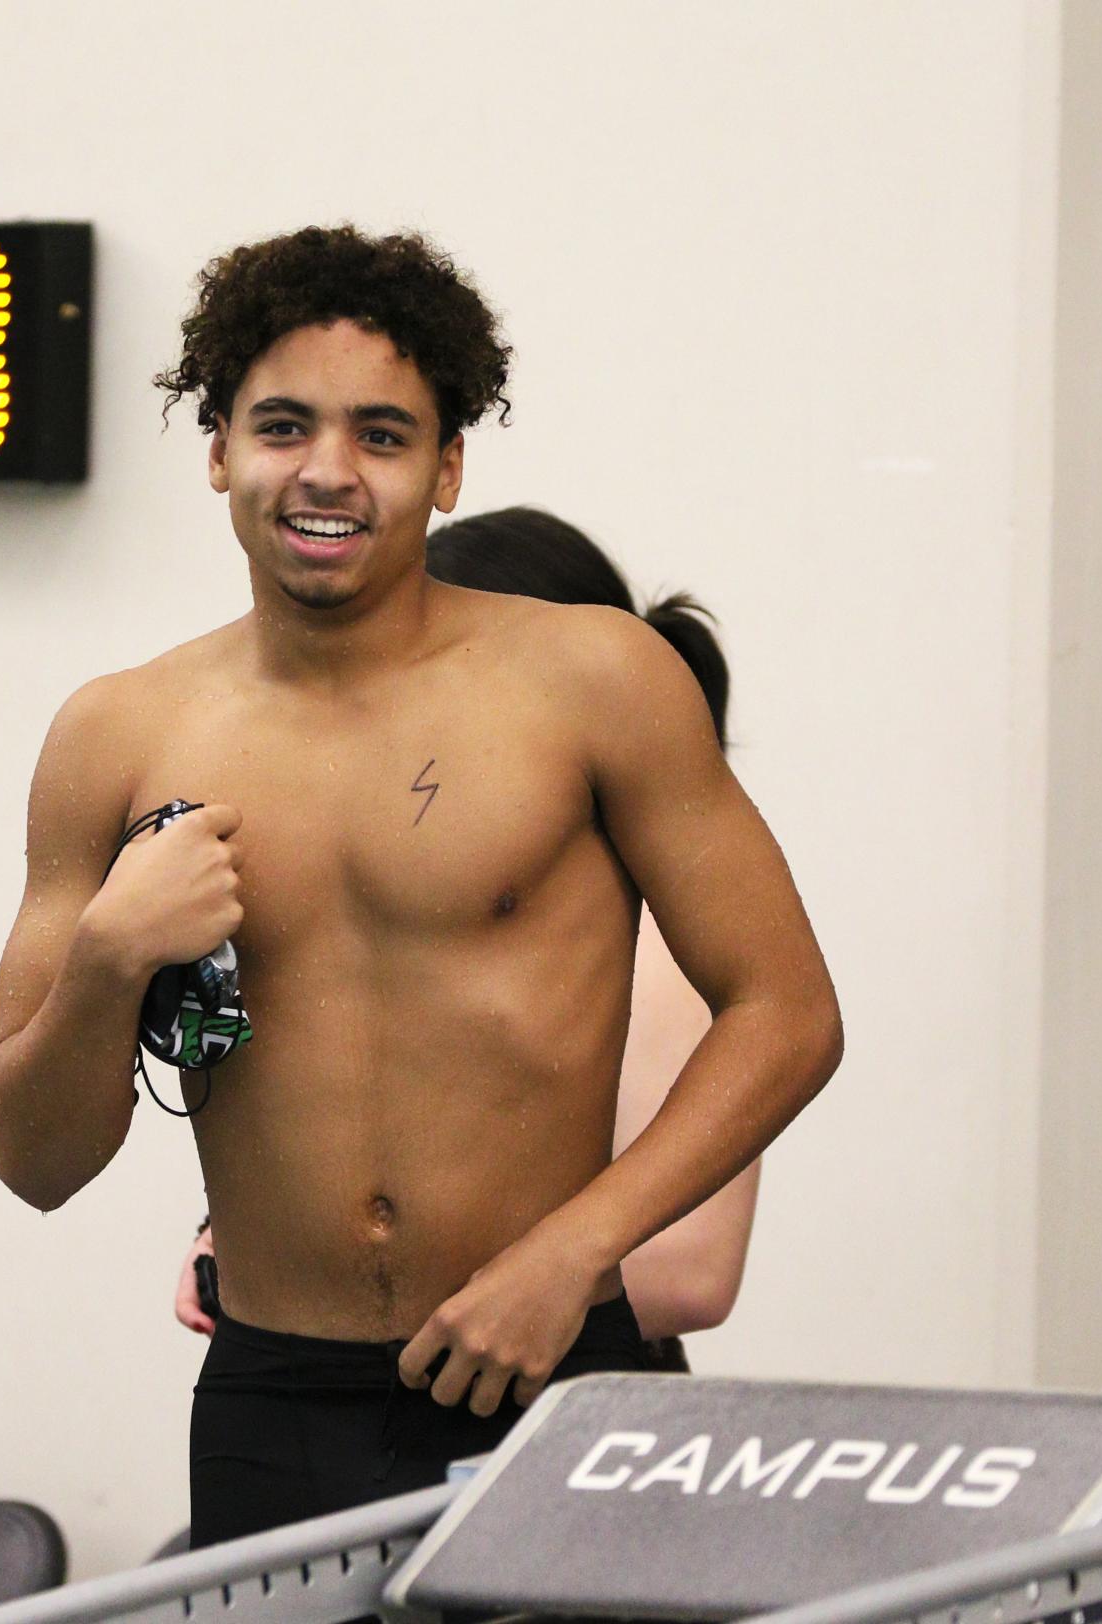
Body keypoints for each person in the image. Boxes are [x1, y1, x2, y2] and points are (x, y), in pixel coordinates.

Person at [0, 225, 842, 1548]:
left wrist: (575, 1250)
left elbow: (787, 1014)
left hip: (551, 1362)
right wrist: (107, 958)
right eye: (281, 426)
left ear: (446, 468)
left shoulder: (593, 680)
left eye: (382, 435)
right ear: (217, 450)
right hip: (276, 1394)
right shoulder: (115, 733)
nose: (327, 472)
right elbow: (34, 1164)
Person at [174, 508, 762, 1369]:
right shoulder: (395, 918)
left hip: (556, 1402)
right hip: (335, 1391)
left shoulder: (665, 940)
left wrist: (437, 1282)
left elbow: (692, 1270)